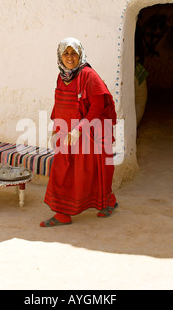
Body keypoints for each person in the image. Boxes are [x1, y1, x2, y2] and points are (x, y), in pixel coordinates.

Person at [40, 37, 118, 227]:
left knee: (93, 172)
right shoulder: (62, 76)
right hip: (66, 133)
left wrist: (78, 130)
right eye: (65, 53)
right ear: (60, 55)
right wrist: (55, 127)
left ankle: (109, 201)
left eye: (73, 53)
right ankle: (62, 214)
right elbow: (59, 101)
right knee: (62, 170)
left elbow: (97, 107)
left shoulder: (89, 76)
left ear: (80, 54)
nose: (69, 57)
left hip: (90, 134)